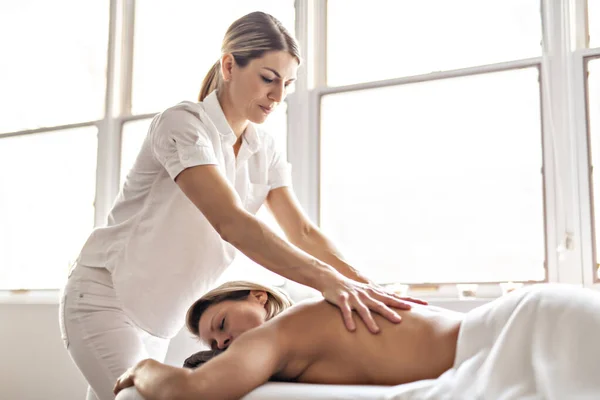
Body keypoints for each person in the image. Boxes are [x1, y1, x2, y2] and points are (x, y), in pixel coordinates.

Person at [59, 11, 424, 400]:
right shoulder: (182, 124)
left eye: (287, 84)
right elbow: (231, 221)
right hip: (104, 298)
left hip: (156, 322)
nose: (278, 96)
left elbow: (301, 232)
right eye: (268, 79)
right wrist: (327, 282)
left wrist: (366, 287)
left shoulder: (263, 149)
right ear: (229, 65)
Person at [113, 281, 600, 400]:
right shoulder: (323, 310)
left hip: (518, 333)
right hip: (528, 320)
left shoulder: (277, 333)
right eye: (214, 344)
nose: (224, 346)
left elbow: (193, 392)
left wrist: (141, 369)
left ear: (257, 297)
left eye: (220, 325)